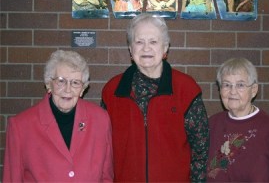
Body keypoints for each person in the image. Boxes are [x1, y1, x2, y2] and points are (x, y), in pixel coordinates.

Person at [101, 13, 209, 182]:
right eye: (139, 42)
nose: (146, 48)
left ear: (165, 48)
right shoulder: (112, 92)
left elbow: (200, 151)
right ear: (130, 49)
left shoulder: (186, 89)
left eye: (153, 41)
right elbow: (103, 150)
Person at [3, 50, 114, 182]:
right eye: (61, 81)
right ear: (49, 84)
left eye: (75, 83)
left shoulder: (100, 120)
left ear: (83, 89)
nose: (68, 89)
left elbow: (106, 176)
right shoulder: (21, 126)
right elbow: (12, 179)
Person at [206, 57, 269, 182]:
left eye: (240, 85)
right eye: (226, 84)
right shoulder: (212, 125)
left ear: (254, 90)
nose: (233, 91)